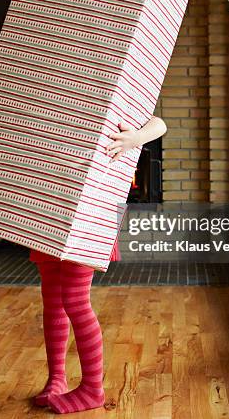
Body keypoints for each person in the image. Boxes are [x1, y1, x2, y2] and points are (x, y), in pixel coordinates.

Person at [30, 116, 167, 414]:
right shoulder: (52, 94)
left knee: (75, 301)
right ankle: (57, 380)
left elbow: (159, 124)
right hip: (49, 206)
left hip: (88, 212)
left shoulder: (104, 86)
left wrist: (136, 138)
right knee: (52, 299)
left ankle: (92, 388)